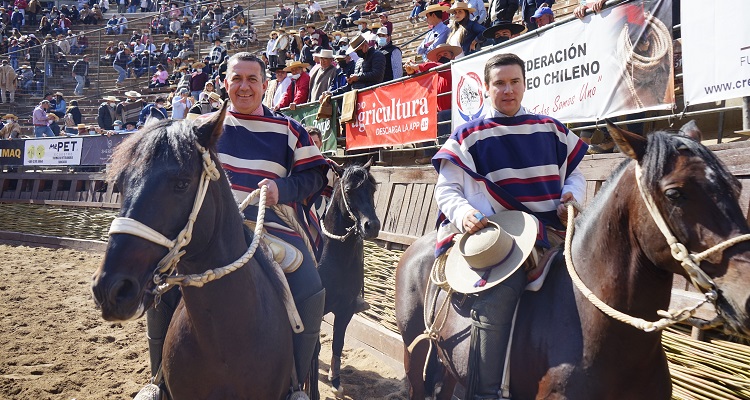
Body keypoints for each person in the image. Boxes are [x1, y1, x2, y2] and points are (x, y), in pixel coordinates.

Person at [432, 53, 587, 400]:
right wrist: (462, 214)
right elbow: (447, 189)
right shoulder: (467, 135)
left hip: (554, 232)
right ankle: (485, 392)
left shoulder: (551, 128)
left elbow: (575, 172)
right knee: (498, 295)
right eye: (499, 83)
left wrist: (570, 196)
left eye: (514, 81)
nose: (508, 90)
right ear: (486, 89)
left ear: (524, 84)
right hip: (502, 235)